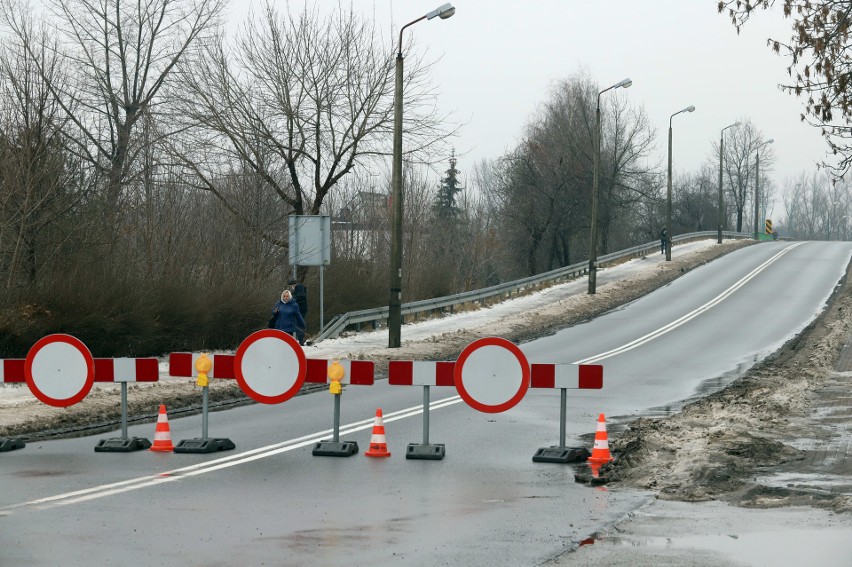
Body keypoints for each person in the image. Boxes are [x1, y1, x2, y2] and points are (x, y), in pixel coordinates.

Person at [288, 277, 308, 345]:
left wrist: (292, 299)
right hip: (301, 309)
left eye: (291, 286)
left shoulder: (299, 287)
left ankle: (302, 337)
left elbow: (300, 296)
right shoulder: (299, 288)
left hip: (300, 309)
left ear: (293, 284)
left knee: (297, 324)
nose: (291, 287)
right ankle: (301, 339)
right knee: (299, 324)